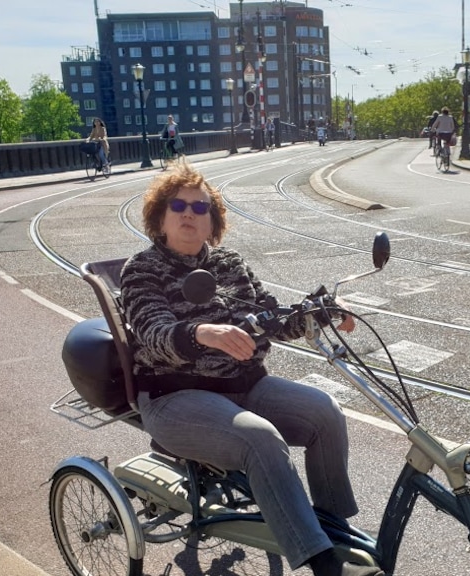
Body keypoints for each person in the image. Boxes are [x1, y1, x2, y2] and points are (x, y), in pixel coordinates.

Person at [119, 163, 382, 576]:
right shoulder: (142, 268)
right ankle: (323, 563)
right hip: (174, 396)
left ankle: (334, 530)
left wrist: (324, 310)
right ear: (160, 216)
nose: (189, 213)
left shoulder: (229, 262)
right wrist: (202, 333)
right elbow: (153, 333)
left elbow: (272, 319)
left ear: (212, 221)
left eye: (200, 207)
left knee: (325, 412)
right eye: (178, 205)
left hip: (245, 386)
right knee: (260, 439)